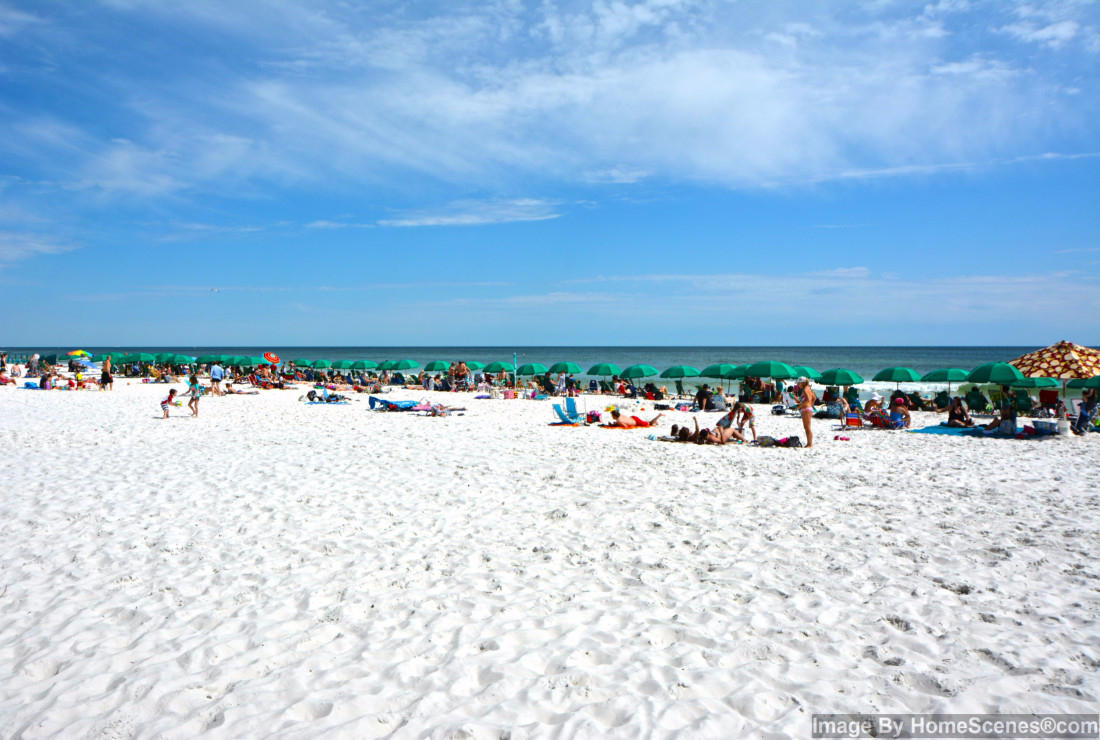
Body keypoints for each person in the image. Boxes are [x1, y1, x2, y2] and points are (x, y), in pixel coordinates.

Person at [796, 376, 815, 447]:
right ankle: (809, 443)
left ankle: (809, 444)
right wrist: (810, 405)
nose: (798, 385)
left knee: (807, 427)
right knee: (807, 427)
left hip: (806, 409)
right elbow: (814, 398)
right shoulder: (809, 388)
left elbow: (808, 399)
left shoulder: (805, 389)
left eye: (799, 383)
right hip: (808, 408)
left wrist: (801, 406)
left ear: (802, 383)